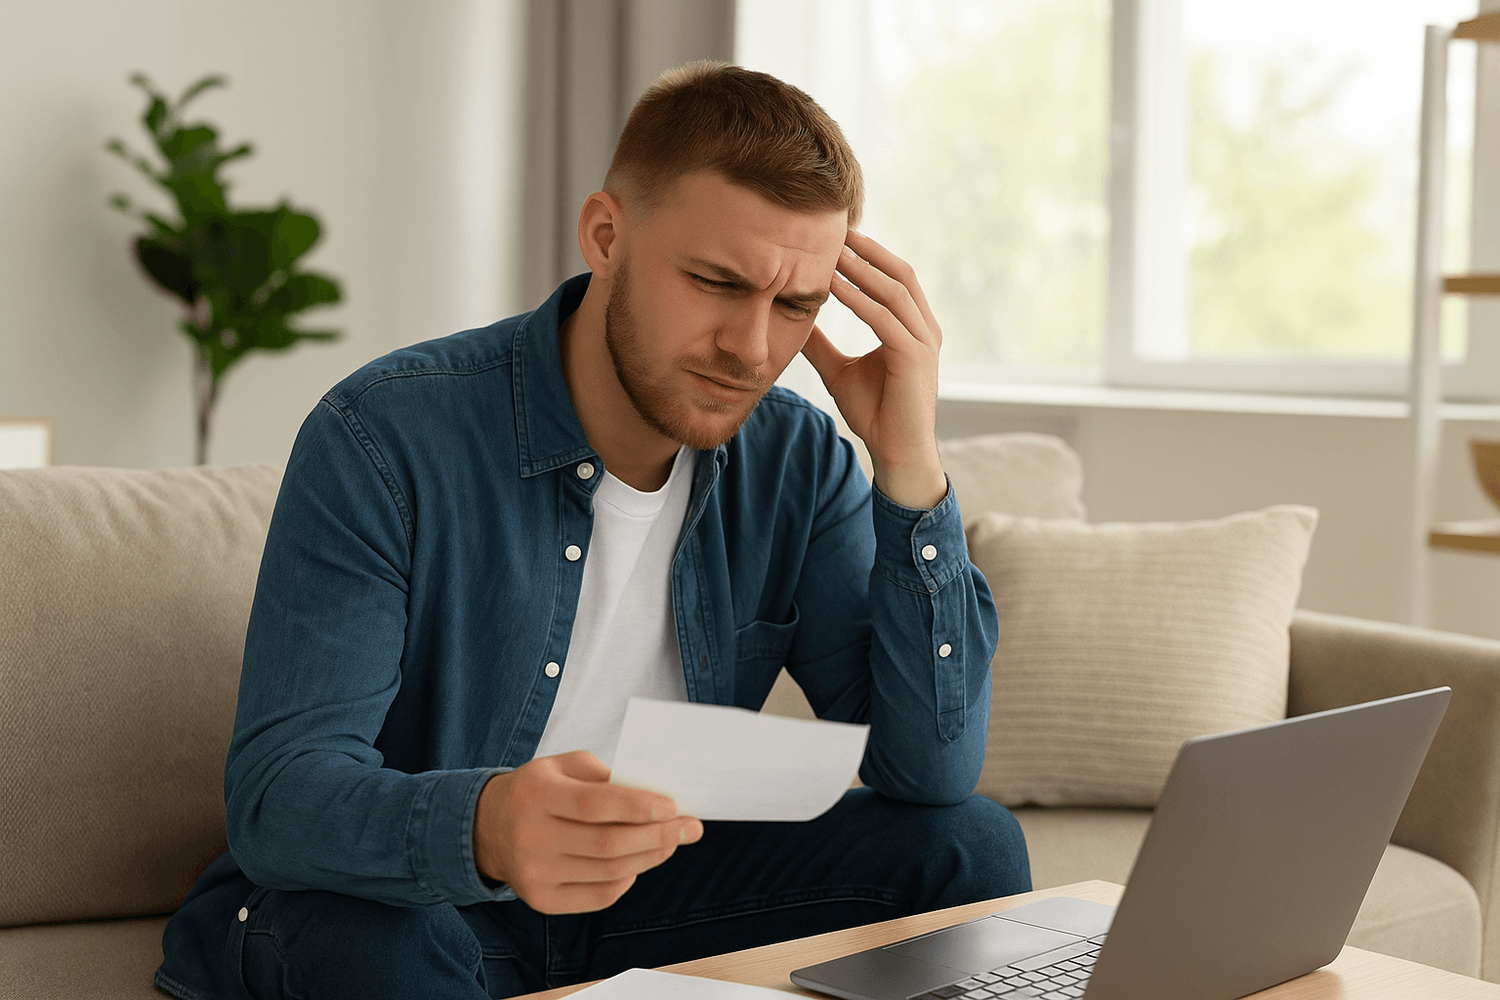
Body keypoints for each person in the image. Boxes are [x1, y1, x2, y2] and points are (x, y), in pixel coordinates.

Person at [155, 61, 1030, 1000]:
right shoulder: (384, 436)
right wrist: (487, 825)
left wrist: (910, 467)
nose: (751, 346)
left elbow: (928, 771)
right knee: (374, 947)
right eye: (715, 282)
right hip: (414, 910)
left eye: (794, 306)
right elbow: (279, 798)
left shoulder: (801, 464)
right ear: (606, 235)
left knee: (966, 845)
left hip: (644, 908)